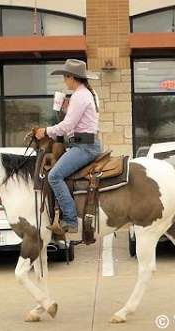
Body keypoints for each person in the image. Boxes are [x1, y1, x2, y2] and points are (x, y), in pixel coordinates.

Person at [34, 59, 101, 234]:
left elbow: (68, 126)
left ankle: (71, 220)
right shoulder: (86, 94)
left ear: (72, 77)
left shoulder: (80, 96)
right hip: (83, 144)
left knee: (54, 176)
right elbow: (74, 124)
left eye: (65, 77)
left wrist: (45, 131)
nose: (65, 80)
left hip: (84, 147)